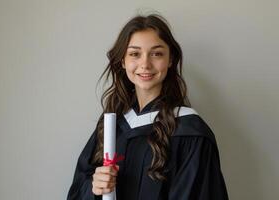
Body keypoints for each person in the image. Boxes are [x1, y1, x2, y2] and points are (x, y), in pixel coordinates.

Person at [67, 14, 229, 200]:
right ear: (123, 61)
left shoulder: (190, 132)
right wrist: (94, 188)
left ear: (170, 59)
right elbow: (77, 189)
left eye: (156, 53)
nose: (145, 64)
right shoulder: (112, 125)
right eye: (135, 54)